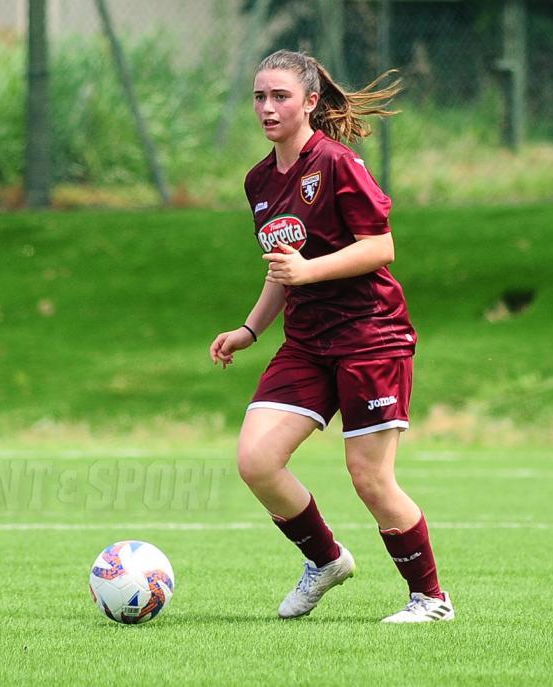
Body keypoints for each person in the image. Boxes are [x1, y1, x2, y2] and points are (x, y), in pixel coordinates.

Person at [208, 49, 453, 624]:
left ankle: (430, 599)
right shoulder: (259, 181)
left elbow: (380, 247)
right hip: (307, 343)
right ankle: (326, 561)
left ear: (311, 102)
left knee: (370, 478)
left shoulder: (338, 163)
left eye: (281, 96)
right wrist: (249, 329)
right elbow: (282, 269)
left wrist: (308, 271)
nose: (267, 108)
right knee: (256, 460)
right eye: (259, 97)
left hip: (371, 337)